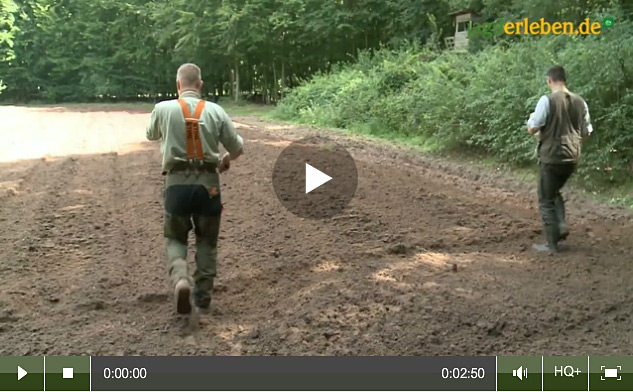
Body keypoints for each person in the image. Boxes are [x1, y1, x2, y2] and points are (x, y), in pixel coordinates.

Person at [146, 63, 244, 314]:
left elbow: (150, 134)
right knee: (207, 242)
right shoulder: (216, 111)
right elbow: (237, 148)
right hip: (208, 186)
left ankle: (180, 278)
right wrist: (224, 160)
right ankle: (202, 298)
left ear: (178, 85)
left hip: (176, 185)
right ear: (200, 85)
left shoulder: (163, 109)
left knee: (175, 237)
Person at [527, 65, 592, 254]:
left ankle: (551, 244)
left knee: (545, 199)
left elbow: (533, 127)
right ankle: (561, 225)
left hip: (551, 157)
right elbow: (586, 132)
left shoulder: (546, 100)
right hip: (572, 158)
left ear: (549, 80)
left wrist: (531, 121)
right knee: (554, 190)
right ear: (564, 79)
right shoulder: (580, 102)